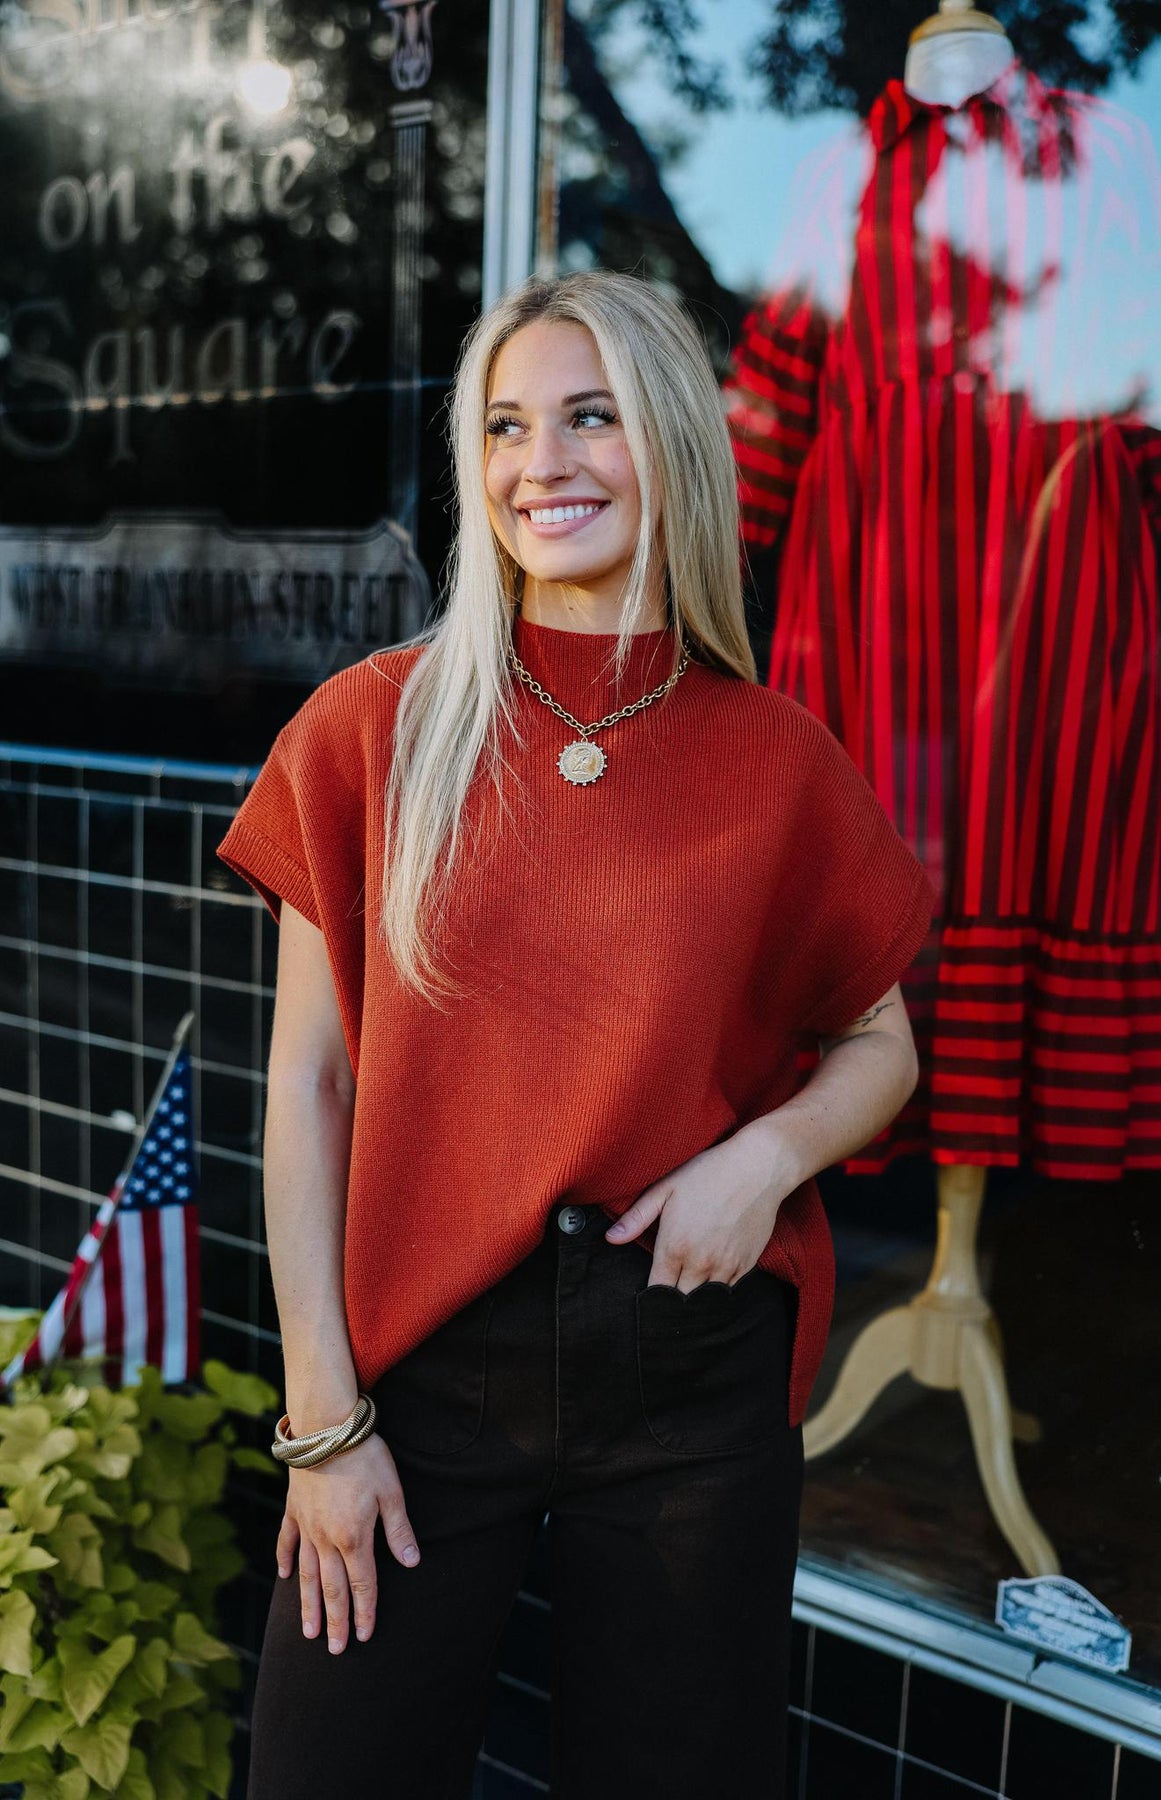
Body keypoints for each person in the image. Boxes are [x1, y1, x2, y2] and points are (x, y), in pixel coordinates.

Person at [217, 270, 933, 1800]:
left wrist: (766, 1158)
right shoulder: (373, 728)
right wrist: (324, 1422)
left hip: (688, 1365)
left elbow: (884, 1046)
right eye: (507, 425)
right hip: (420, 1362)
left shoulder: (777, 759)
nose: (545, 461)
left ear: (669, 438)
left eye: (591, 416)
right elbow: (310, 1082)